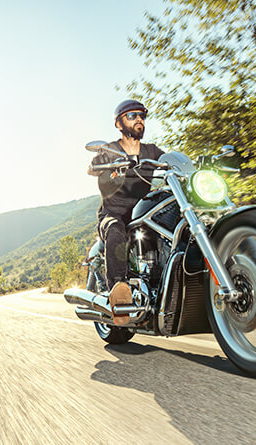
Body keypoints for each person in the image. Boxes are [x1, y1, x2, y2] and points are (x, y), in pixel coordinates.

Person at [88, 99, 165, 325]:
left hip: (143, 213)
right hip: (114, 214)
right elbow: (92, 168)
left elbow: (170, 161)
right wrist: (107, 165)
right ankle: (119, 291)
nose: (139, 119)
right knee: (115, 230)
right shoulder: (110, 150)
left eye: (142, 115)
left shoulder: (152, 151)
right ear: (119, 123)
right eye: (132, 116)